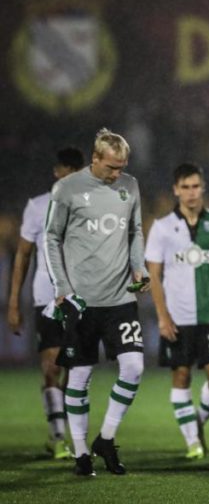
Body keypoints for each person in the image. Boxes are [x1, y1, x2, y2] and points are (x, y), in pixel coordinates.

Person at [44, 128, 150, 477]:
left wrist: (139, 268)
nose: (117, 174)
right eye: (111, 167)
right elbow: (51, 237)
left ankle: (105, 438)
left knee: (134, 368)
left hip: (120, 298)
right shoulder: (68, 189)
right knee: (80, 376)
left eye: (122, 167)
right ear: (95, 158)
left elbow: (135, 231)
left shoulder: (129, 186)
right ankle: (80, 454)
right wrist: (61, 286)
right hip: (82, 302)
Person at [145, 164, 209, 460]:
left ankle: (195, 421)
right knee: (182, 376)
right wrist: (162, 317)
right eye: (185, 187)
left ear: (203, 188)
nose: (191, 192)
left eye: (196, 186)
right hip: (178, 318)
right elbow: (154, 277)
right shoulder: (162, 227)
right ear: (176, 190)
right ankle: (193, 443)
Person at [7, 147, 84, 460]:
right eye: (66, 172)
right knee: (51, 366)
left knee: (76, 371)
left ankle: (67, 428)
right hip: (46, 297)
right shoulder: (38, 207)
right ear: (57, 173)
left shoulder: (89, 209)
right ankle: (57, 437)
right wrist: (13, 301)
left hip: (80, 299)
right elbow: (23, 254)